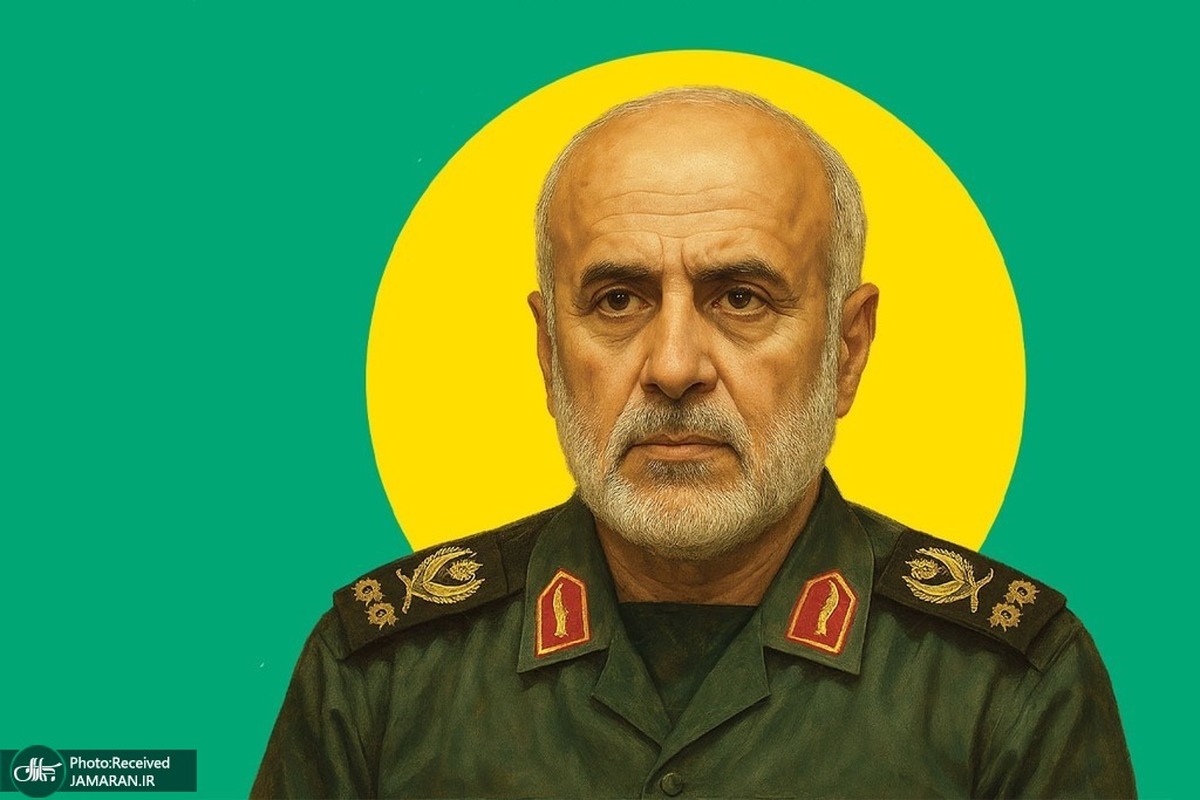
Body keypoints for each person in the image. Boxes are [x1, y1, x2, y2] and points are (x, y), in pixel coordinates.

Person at [252, 87, 1135, 798]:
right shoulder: (381, 678)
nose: (673, 367)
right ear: (549, 352)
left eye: (741, 298)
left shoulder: (1009, 687)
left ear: (847, 350)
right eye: (617, 301)